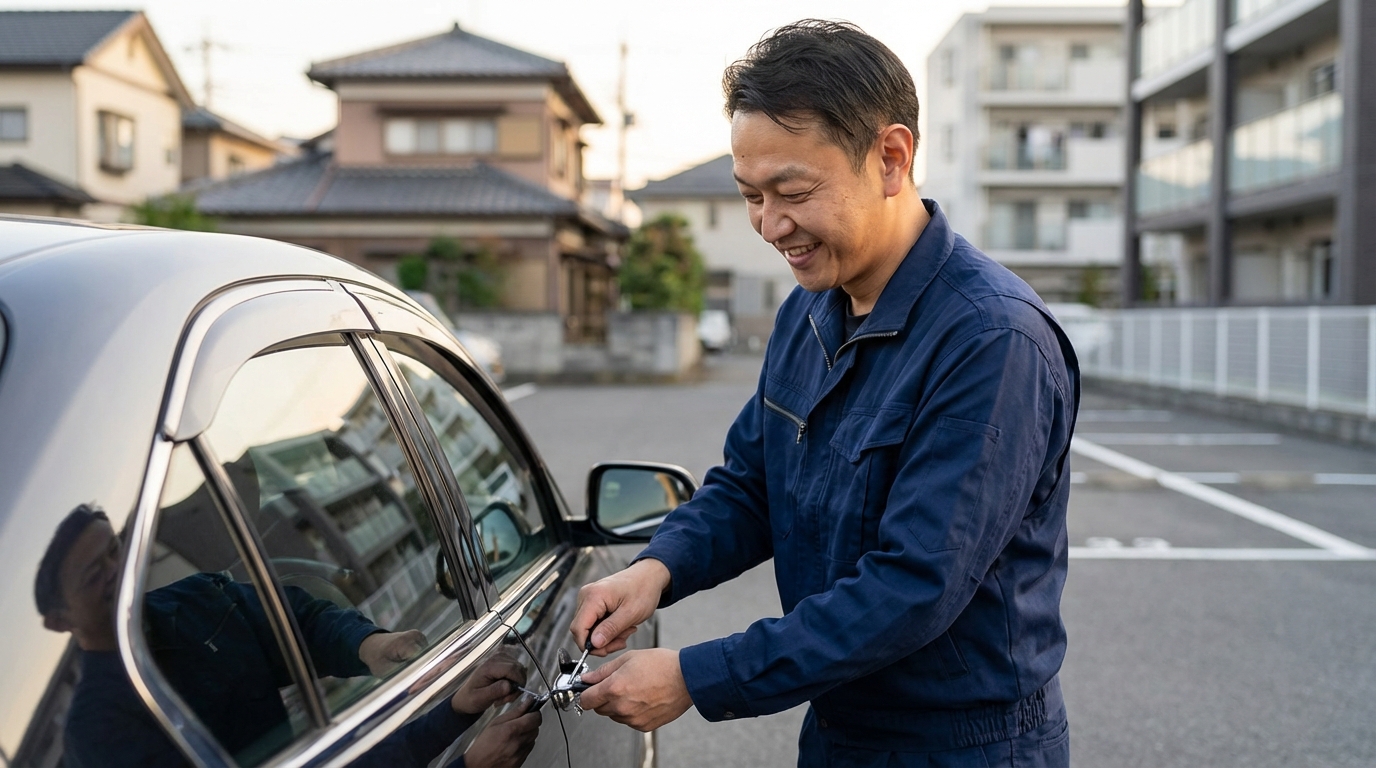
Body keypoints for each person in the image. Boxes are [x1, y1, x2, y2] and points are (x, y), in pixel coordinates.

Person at [570, 19, 1079, 768]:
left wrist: (697, 677)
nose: (772, 225)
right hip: (840, 725)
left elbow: (913, 584)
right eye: (750, 196)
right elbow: (752, 487)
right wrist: (657, 568)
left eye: (793, 191)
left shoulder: (991, 341)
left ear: (892, 158)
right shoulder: (810, 309)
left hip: (964, 747)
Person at [35, 505, 540, 767]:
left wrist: (370, 647)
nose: (117, 572)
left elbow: (296, 622)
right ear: (59, 622)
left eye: (114, 551)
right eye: (92, 576)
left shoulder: (194, 600)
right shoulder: (96, 730)